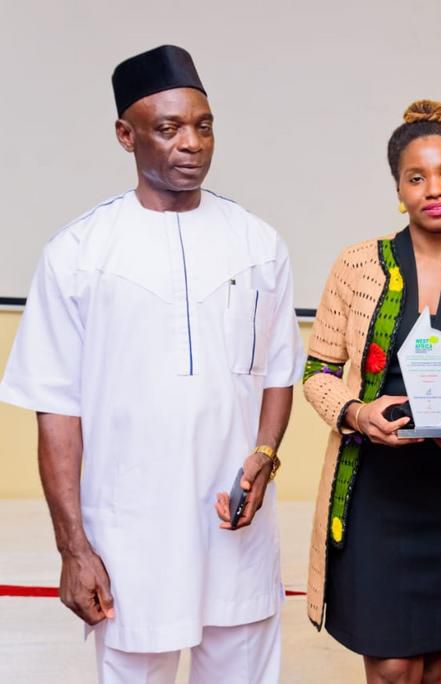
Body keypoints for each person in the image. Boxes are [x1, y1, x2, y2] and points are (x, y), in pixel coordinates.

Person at [0, 45, 304, 683]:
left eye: (203, 125)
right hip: (130, 538)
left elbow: (278, 373)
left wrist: (266, 456)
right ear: (125, 135)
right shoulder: (80, 253)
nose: (191, 143)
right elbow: (57, 411)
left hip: (236, 528)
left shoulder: (257, 243)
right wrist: (73, 548)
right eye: (168, 129)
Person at [302, 100, 441, 684]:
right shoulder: (356, 266)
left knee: (430, 663)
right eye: (417, 177)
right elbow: (317, 372)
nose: (435, 189)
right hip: (372, 489)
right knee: (393, 666)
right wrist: (354, 412)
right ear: (399, 189)